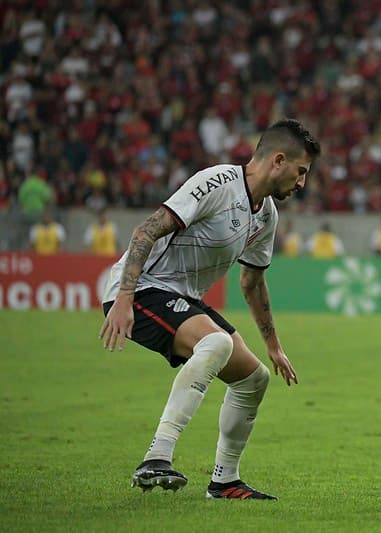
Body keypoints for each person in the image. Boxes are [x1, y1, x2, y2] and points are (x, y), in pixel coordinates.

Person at [99, 119, 321, 500]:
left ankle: (225, 481)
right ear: (278, 160)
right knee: (216, 344)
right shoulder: (217, 182)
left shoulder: (266, 215)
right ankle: (156, 457)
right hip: (142, 289)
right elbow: (146, 231)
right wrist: (123, 297)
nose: (301, 183)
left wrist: (273, 345)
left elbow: (251, 283)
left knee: (254, 379)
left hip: (183, 298)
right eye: (300, 172)